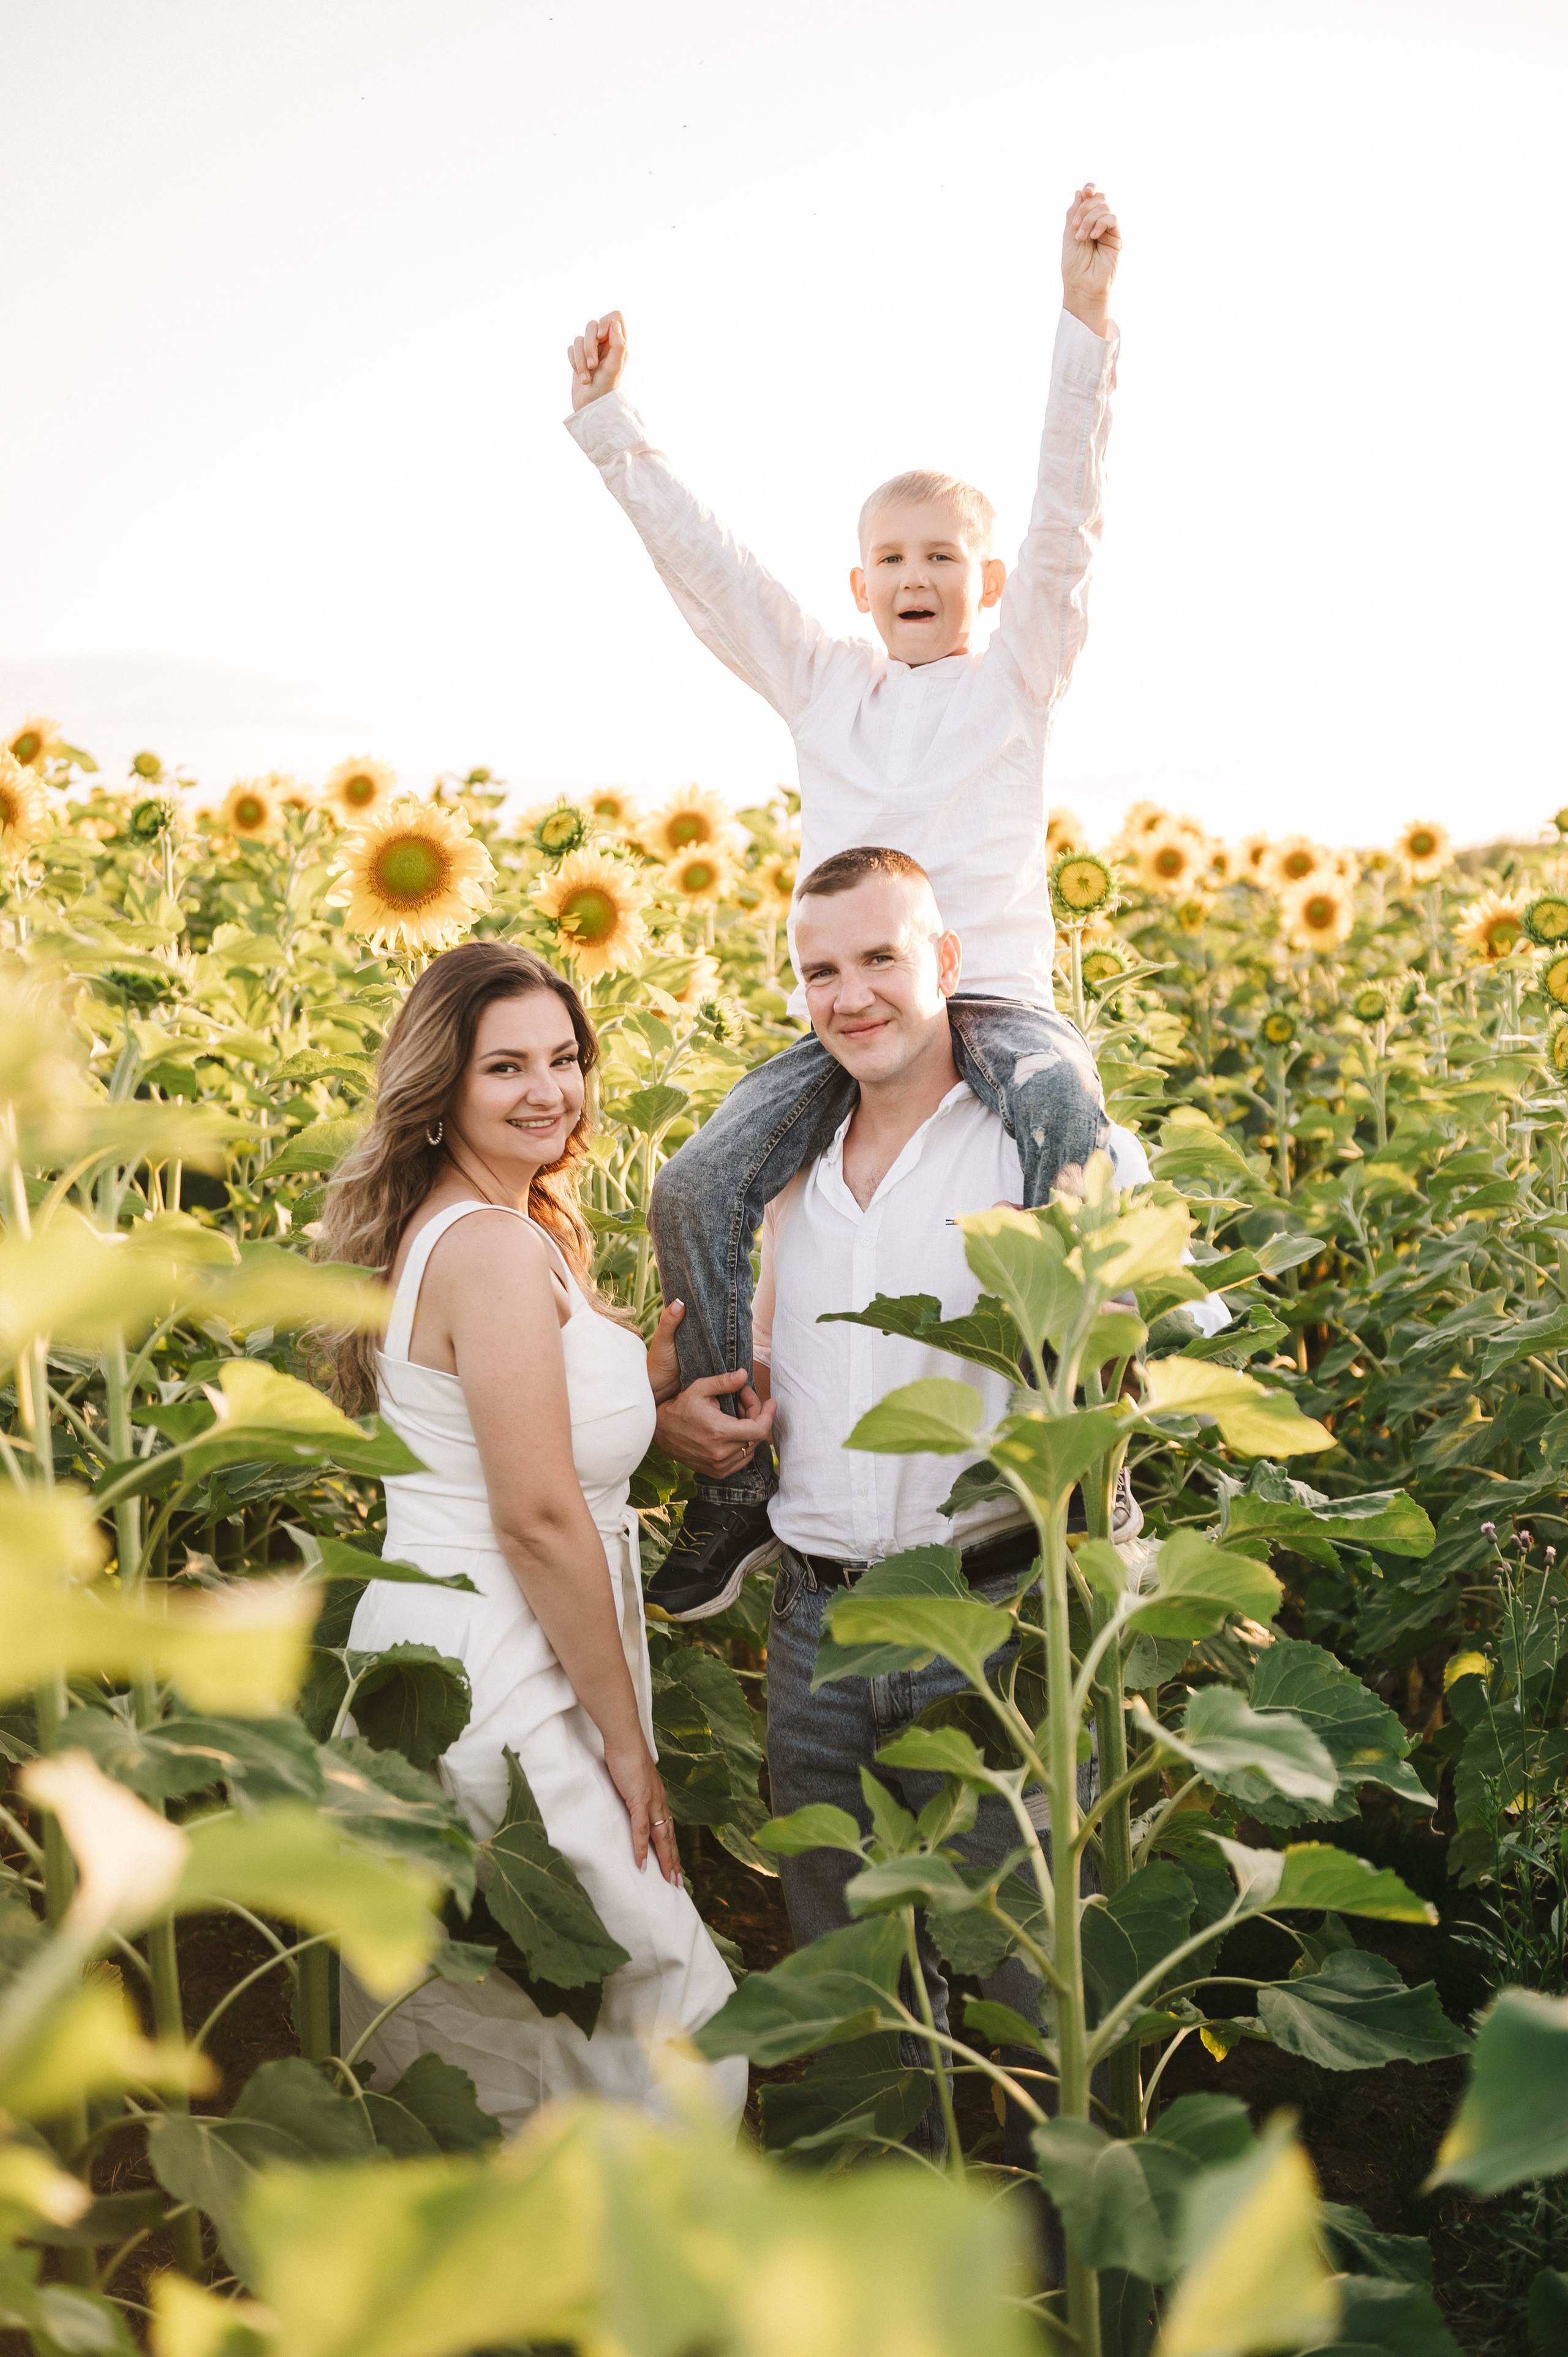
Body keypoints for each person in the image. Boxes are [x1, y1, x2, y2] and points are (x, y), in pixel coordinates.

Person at [565, 186, 1124, 1617]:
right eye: (890, 557)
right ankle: (740, 1490)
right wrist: (612, 427)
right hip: (845, 1018)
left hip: (985, 1002)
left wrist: (1085, 324)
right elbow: (719, 579)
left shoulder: (1015, 679)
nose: (916, 574)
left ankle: (1079, 1461)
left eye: (942, 555)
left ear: (984, 582)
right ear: (859, 586)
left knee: (1068, 1115)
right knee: (695, 1180)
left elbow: (1067, 520)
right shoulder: (822, 682)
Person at [315, 939, 746, 2133]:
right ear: (440, 1085)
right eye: (505, 1065)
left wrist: (644, 1404)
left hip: (448, 1639)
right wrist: (626, 1746)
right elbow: (539, 1514)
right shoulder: (496, 1249)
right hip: (509, 1661)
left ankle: (544, 2261)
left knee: (521, 2001)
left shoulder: (484, 1226)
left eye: (564, 1058)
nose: (548, 1089)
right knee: (661, 1989)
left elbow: (516, 1431)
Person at [744, 846, 1103, 2162]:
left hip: (988, 1614)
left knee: (1021, 1997)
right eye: (818, 970)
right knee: (854, 2009)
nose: (849, 995)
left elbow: (1119, 1333)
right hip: (820, 1630)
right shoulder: (788, 1165)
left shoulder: (1043, 1138)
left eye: (878, 956)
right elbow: (772, 1362)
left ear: (946, 963)